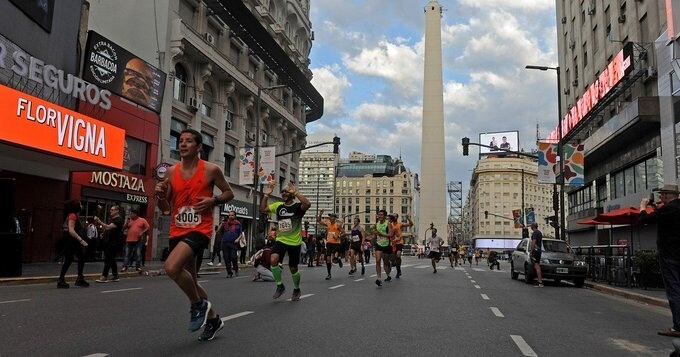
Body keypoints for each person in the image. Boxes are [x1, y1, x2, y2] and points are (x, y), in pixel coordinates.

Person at [156, 128, 235, 341]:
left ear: (199, 147)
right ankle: (213, 319)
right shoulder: (171, 172)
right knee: (191, 280)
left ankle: (198, 304)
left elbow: (229, 193)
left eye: (189, 141)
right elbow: (165, 208)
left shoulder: (211, 170)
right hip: (177, 229)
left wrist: (213, 200)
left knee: (171, 267)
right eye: (180, 140)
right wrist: (160, 196)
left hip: (199, 229)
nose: (182, 144)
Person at [639, 184, 680, 337]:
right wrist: (658, 209)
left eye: (662, 195)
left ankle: (678, 327)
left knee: (674, 289)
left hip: (670, 255)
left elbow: (644, 219)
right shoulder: (672, 209)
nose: (660, 197)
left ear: (669, 195)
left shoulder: (669, 209)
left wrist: (643, 206)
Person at [260, 181, 311, 301]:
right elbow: (263, 209)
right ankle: (280, 286)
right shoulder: (278, 206)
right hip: (281, 240)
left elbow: (307, 204)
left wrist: (296, 192)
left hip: (294, 242)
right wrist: (266, 195)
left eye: (286, 191)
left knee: (293, 268)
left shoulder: (298, 207)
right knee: (273, 260)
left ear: (292, 193)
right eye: (282, 191)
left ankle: (297, 289)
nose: (284, 193)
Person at [57, 200, 89, 288]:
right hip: (72, 241)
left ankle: (64, 279)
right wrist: (81, 240)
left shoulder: (72, 215)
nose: (81, 206)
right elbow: (71, 230)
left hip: (70, 241)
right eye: (80, 204)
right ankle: (77, 279)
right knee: (78, 258)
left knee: (71, 259)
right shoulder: (73, 215)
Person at [95, 206, 124, 283]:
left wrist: (99, 221)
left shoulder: (118, 220)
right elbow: (108, 230)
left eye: (112, 210)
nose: (110, 211)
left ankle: (104, 276)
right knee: (111, 259)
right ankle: (115, 276)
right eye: (110, 210)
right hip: (110, 242)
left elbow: (108, 227)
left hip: (114, 243)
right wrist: (103, 234)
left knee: (108, 259)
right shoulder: (112, 219)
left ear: (117, 211)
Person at [317, 210, 344, 280]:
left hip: (336, 243)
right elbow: (319, 221)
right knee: (328, 259)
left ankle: (338, 259)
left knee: (334, 260)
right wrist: (320, 214)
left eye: (331, 217)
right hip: (329, 243)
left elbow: (344, 233)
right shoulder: (328, 224)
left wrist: (338, 236)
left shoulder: (338, 225)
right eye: (330, 217)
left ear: (335, 218)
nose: (330, 218)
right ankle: (329, 274)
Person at [371, 209, 393, 286]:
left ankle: (388, 275)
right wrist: (372, 236)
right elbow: (375, 236)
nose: (379, 216)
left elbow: (391, 235)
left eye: (381, 215)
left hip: (386, 245)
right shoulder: (376, 224)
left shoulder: (388, 224)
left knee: (386, 263)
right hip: (378, 244)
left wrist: (381, 234)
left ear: (384, 216)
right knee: (378, 260)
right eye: (378, 214)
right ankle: (379, 278)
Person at [218, 211, 242, 278]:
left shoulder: (238, 224)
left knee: (233, 257)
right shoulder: (224, 223)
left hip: (233, 243)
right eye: (229, 215)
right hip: (225, 243)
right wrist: (221, 223)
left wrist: (238, 239)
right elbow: (218, 232)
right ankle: (229, 273)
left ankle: (236, 268)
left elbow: (240, 234)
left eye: (232, 215)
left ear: (235, 216)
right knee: (226, 259)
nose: (230, 216)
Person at [389, 213, 413, 279]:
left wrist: (408, 218)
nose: (394, 217)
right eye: (393, 216)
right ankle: (397, 268)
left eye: (395, 216)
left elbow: (411, 224)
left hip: (399, 242)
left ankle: (398, 271)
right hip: (392, 243)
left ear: (397, 217)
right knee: (393, 257)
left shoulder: (400, 224)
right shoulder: (390, 224)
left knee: (398, 254)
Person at [529, 223, 544, 288]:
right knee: (536, 265)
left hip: (536, 251)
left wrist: (531, 251)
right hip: (539, 250)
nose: (530, 227)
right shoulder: (539, 233)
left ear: (533, 227)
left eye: (531, 226)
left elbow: (534, 242)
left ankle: (540, 282)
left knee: (537, 266)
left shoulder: (535, 233)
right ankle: (538, 281)